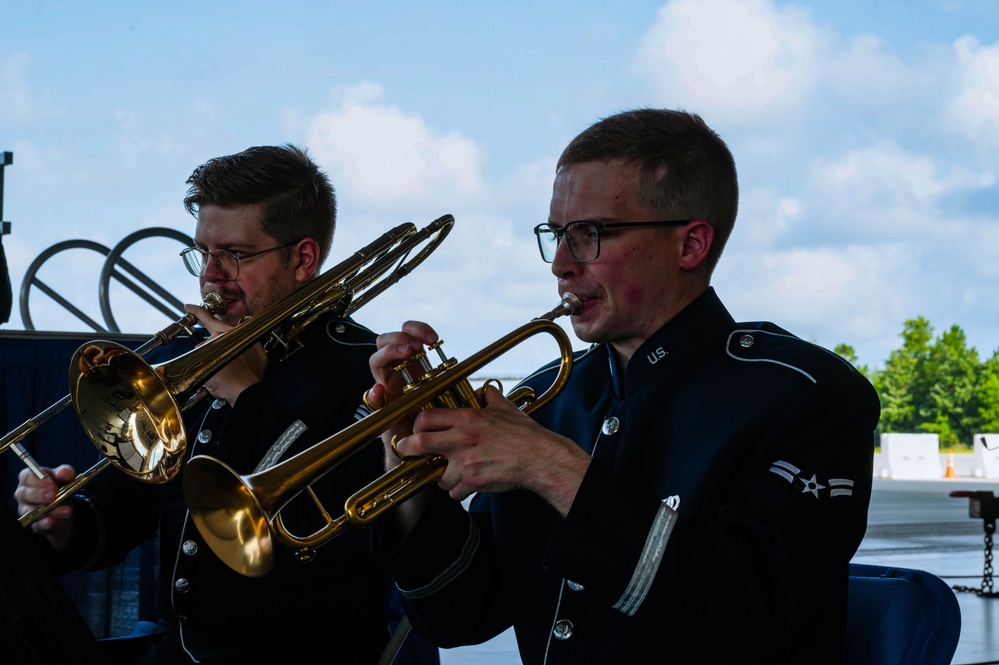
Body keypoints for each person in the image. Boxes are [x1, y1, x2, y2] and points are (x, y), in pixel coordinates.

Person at [365, 109, 881, 663]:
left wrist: (551, 467)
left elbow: (750, 613)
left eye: (589, 234)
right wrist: (404, 455)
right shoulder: (546, 400)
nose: (560, 264)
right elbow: (460, 614)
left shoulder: (808, 395)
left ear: (690, 245)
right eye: (556, 235)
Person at [13, 144, 436, 664]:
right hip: (179, 652)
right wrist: (65, 522)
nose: (210, 275)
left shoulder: (366, 371)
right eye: (203, 253)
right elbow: (132, 503)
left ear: (303, 258)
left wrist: (247, 395)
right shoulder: (193, 359)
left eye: (234, 254)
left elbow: (330, 526)